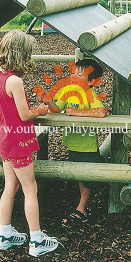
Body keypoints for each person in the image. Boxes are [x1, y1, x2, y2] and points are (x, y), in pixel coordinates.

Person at [0, 30, 59, 257]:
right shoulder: (15, 80)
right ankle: (37, 241)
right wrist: (44, 107)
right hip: (18, 141)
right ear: (21, 54)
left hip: (4, 139)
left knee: (10, 187)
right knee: (31, 189)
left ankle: (5, 235)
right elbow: (25, 115)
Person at [44, 59, 106, 226]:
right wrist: (49, 101)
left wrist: (76, 113)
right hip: (73, 143)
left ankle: (80, 209)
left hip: (86, 145)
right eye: (73, 73)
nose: (74, 77)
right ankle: (83, 207)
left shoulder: (89, 94)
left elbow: (100, 112)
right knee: (80, 176)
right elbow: (57, 109)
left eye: (80, 75)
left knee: (86, 178)